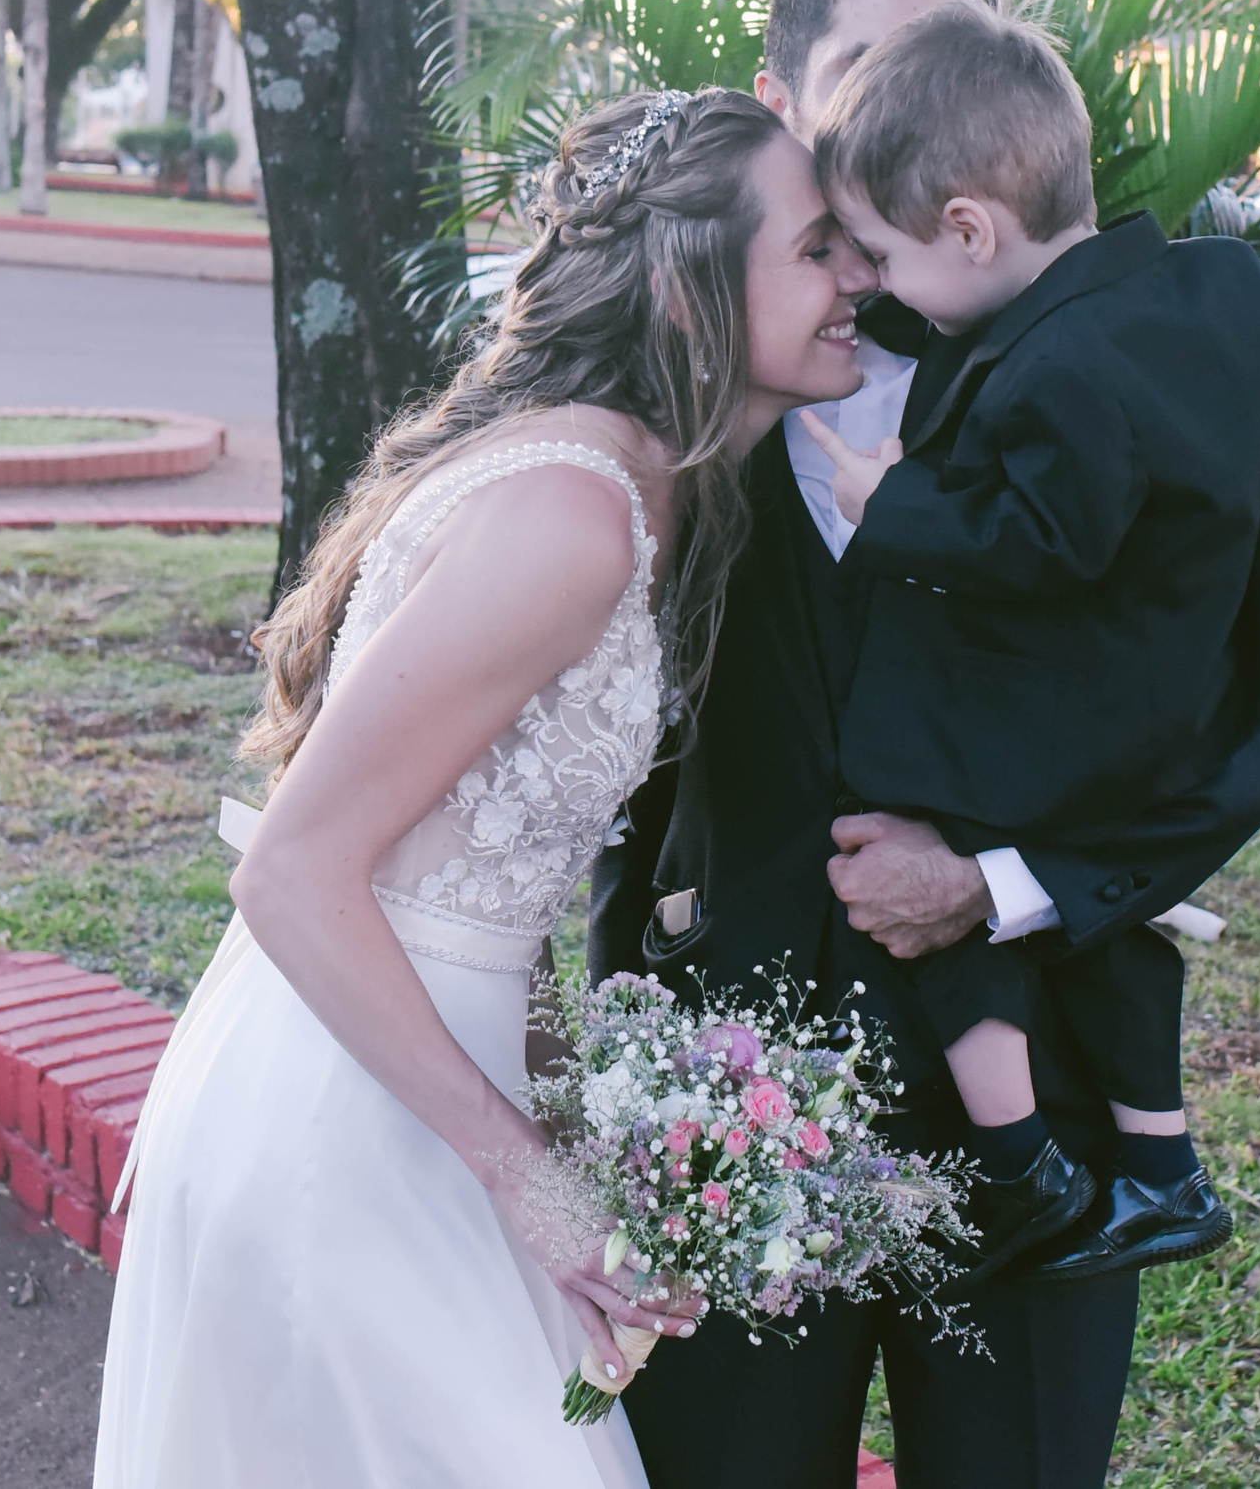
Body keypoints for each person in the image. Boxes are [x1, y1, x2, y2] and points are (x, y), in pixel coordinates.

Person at [594, 0, 1260, 1489]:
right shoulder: (657, 391)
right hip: (739, 1085)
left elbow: (1250, 707)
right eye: (880, 67)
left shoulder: (1138, 378)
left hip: (1039, 1107)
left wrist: (1002, 885)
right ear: (789, 100)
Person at [92, 85, 885, 1488]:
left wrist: (571, 1125)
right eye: (821, 247)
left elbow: (484, 884)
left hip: (426, 1078)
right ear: (694, 292)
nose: (862, 278)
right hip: (352, 1134)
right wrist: (528, 1176)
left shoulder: (639, 485)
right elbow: (291, 869)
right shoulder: (572, 515)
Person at [799, 0, 1260, 1289]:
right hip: (1164, 688)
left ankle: (1020, 1164)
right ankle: (1163, 1167)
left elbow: (1046, 540)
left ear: (969, 225)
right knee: (1114, 931)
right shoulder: (1198, 295)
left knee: (897, 842)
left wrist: (887, 502)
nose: (869, 286)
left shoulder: (1061, 368)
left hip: (1061, 717)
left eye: (879, 256)